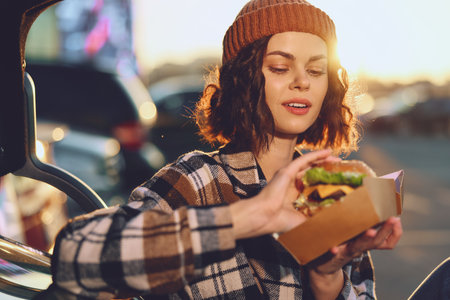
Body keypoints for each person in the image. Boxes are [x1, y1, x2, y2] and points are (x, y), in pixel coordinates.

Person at [43, 0, 403, 299]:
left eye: (316, 70)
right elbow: (76, 255)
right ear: (244, 79)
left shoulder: (337, 194)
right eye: (280, 67)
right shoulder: (196, 181)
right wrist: (249, 216)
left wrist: (327, 277)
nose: (302, 81)